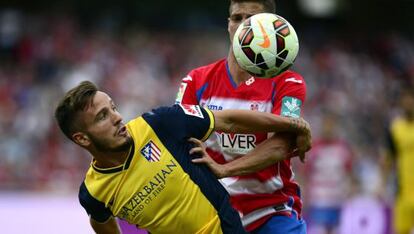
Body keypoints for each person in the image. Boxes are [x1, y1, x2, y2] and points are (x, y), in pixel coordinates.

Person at [54, 80, 311, 234]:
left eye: (113, 108)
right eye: (102, 117)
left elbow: (228, 120)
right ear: (82, 139)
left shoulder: (160, 123)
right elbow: (100, 220)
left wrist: (292, 124)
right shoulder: (93, 192)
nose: (117, 117)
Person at [175, 0, 309, 233]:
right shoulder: (195, 81)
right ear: (228, 24)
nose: (242, 27)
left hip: (271, 211)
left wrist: (224, 170)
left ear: (270, 28)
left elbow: (280, 146)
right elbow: (176, 140)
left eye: (252, 20)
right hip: (213, 212)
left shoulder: (289, 82)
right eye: (237, 19)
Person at [302, 113, 353, 234]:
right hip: (319, 198)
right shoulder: (314, 148)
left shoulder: (342, 147)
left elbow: (349, 171)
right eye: (326, 125)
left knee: (336, 230)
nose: (328, 129)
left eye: (331, 125)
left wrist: (349, 190)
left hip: (337, 198)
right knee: (320, 230)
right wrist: (305, 193)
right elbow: (306, 173)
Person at [388, 88, 414, 234]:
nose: (408, 103)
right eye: (405, 100)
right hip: (402, 192)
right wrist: (382, 183)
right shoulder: (395, 129)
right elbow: (388, 157)